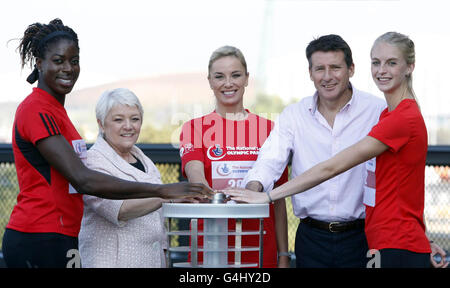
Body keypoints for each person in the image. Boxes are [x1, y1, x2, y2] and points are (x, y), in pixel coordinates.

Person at [226, 32, 449, 268]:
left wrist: (267, 197)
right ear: (310, 73)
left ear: (351, 69)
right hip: (312, 238)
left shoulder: (381, 113)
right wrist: (253, 188)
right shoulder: (294, 115)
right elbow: (269, 161)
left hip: (364, 240)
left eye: (335, 67)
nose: (327, 76)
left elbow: (341, 170)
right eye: (319, 69)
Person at [2, 19, 211, 268]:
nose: (68, 68)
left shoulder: (57, 112)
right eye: (58, 60)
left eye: (74, 61)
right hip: (38, 235)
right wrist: (161, 190)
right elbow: (83, 179)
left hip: (63, 235)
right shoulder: (35, 109)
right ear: (39, 63)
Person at [179, 45, 290, 268]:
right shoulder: (194, 128)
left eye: (236, 75)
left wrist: (284, 255)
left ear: (247, 79)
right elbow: (195, 175)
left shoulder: (270, 129)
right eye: (219, 76)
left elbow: (277, 200)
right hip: (210, 247)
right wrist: (216, 196)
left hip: (258, 248)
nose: (228, 83)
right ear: (210, 81)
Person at [79, 88, 182, 267]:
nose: (129, 126)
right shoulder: (92, 161)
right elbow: (119, 210)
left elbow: (157, 217)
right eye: (118, 120)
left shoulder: (143, 159)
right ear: (101, 124)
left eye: (135, 119)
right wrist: (169, 195)